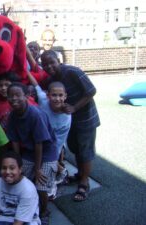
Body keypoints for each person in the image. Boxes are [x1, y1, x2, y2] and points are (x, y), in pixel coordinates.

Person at [40, 50, 100, 202]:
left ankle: (84, 183)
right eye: (45, 64)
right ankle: (80, 174)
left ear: (58, 60)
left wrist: (74, 107)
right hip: (69, 121)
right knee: (75, 148)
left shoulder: (72, 71)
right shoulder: (51, 79)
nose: (49, 66)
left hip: (85, 119)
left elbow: (91, 90)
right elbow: (41, 90)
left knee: (85, 151)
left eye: (51, 62)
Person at [6, 82, 57, 225]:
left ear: (26, 96)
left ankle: (44, 211)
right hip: (29, 151)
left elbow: (39, 143)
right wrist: (17, 164)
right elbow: (14, 140)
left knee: (40, 185)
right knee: (19, 178)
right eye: (11, 96)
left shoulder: (36, 114)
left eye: (18, 95)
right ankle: (24, 206)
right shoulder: (12, 115)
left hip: (46, 153)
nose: (14, 99)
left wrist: (37, 168)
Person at [28, 71, 71, 185]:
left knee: (47, 167)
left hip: (53, 143)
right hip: (39, 138)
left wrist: (52, 158)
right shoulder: (43, 100)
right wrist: (25, 70)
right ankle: (60, 168)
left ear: (65, 96)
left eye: (60, 95)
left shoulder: (66, 117)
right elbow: (36, 85)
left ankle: (61, 172)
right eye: (54, 95)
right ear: (48, 95)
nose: (57, 99)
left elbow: (58, 142)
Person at [0, 150, 41, 225]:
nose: (7, 172)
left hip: (26, 220)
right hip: (4, 218)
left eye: (12, 168)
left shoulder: (28, 189)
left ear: (20, 169)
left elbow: (18, 222)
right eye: (4, 168)